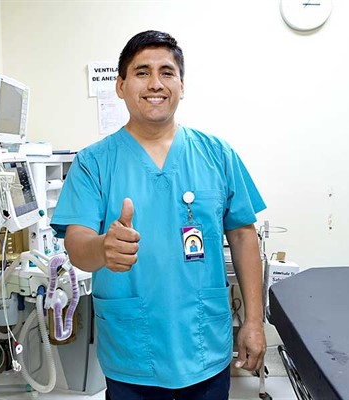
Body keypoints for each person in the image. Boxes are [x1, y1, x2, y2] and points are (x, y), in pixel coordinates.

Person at [51, 30, 266, 400]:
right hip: (133, 352)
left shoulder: (217, 154)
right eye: (142, 72)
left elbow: (244, 235)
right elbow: (77, 245)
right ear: (120, 86)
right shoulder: (93, 163)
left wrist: (254, 321)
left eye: (167, 72)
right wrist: (103, 248)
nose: (155, 83)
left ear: (181, 85)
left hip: (204, 345)